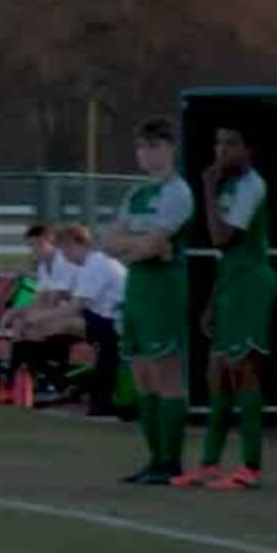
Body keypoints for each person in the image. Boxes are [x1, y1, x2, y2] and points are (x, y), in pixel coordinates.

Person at [172, 123, 275, 491]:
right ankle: (210, 464)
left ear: (249, 149)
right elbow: (222, 252)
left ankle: (251, 466)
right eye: (218, 143)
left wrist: (207, 187)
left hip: (251, 283)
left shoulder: (251, 186)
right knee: (216, 375)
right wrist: (213, 301)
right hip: (230, 282)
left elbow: (221, 236)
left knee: (243, 371)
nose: (221, 151)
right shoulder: (230, 186)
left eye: (231, 143)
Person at [102, 116, 195, 484]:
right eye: (142, 147)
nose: (147, 154)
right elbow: (109, 241)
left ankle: (171, 461)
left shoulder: (178, 192)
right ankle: (154, 458)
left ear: (171, 148)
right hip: (137, 287)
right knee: (141, 375)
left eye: (155, 146)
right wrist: (136, 247)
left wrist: (136, 247)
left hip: (164, 288)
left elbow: (154, 244)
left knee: (166, 372)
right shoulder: (136, 194)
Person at [0, 223, 84, 402]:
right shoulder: (44, 267)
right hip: (62, 316)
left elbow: (51, 302)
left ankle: (52, 383)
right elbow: (39, 303)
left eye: (38, 245)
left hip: (84, 317)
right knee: (23, 328)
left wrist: (28, 318)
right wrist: (14, 313)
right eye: (31, 246)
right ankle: (44, 382)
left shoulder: (64, 262)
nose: (35, 251)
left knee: (32, 329)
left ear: (51, 241)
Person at [55, 224, 129, 419]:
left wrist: (39, 319)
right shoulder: (89, 265)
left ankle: (100, 399)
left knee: (78, 326)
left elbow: (77, 306)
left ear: (75, 244)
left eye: (64, 250)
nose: (64, 256)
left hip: (123, 321)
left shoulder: (96, 263)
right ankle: (98, 398)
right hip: (112, 319)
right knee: (84, 328)